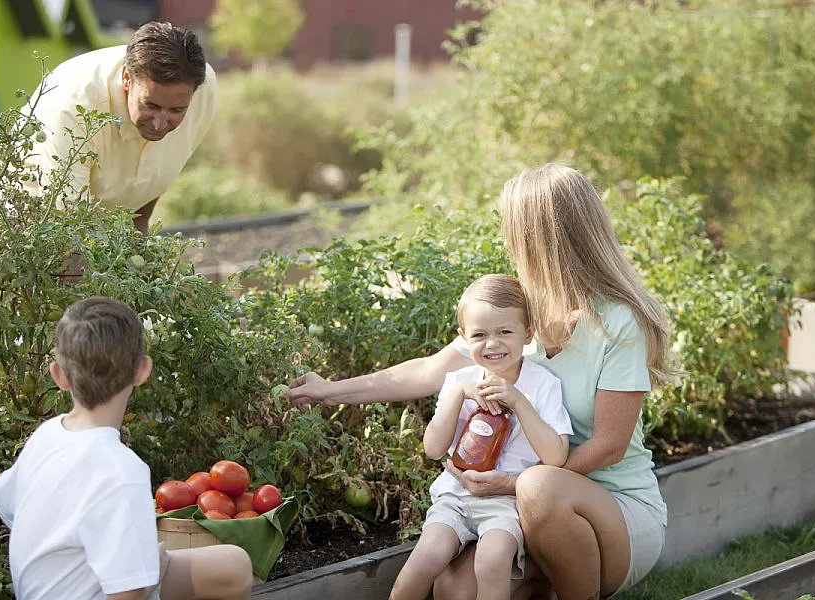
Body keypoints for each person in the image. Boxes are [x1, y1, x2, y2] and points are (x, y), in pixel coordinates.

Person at [287, 163, 673, 599]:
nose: (507, 239)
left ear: (539, 236)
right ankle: (538, 579)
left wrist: (514, 483)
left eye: (512, 228)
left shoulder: (617, 322)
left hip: (612, 515)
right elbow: (429, 371)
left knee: (539, 487)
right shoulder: (516, 317)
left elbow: (609, 445)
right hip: (517, 508)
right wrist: (327, 390)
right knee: (454, 589)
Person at [0, 296, 252, 600]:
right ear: (143, 371)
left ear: (59, 376)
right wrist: (153, 570)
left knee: (232, 564)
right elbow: (129, 593)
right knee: (233, 565)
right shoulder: (122, 470)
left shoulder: (47, 436)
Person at [390, 274, 573, 600]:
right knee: (428, 555)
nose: (492, 343)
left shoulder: (542, 384)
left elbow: (556, 456)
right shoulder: (460, 380)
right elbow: (433, 449)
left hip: (507, 502)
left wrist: (517, 400)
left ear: (527, 334)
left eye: (505, 332)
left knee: (492, 560)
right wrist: (460, 394)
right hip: (455, 495)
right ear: (463, 337)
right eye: (479, 335)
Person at [22, 21, 217, 234]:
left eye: (176, 110)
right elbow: (67, 229)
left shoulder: (202, 91)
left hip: (103, 214)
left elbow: (160, 166)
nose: (160, 124)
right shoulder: (75, 110)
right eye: (150, 105)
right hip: (33, 212)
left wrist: (138, 232)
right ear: (127, 79)